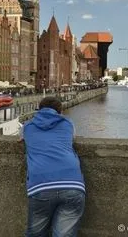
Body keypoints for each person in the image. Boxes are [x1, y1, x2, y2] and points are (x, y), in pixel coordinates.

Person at [21, 96, 85, 237]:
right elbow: (72, 138)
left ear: (39, 108)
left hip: (40, 185)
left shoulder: (28, 126)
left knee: (35, 233)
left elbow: (22, 139)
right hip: (72, 184)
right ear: (60, 111)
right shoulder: (68, 123)